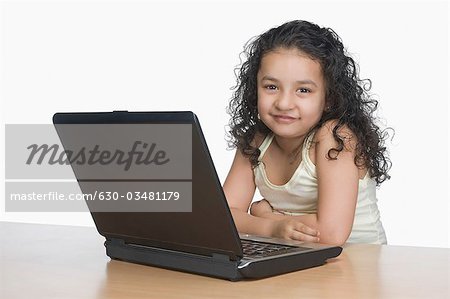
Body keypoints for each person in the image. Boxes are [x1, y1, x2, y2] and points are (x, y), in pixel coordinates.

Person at [223, 20, 392, 246]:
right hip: (298, 259)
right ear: (255, 89)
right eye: (271, 87)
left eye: (303, 90)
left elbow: (331, 234)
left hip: (356, 265)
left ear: (329, 98)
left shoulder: (334, 137)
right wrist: (272, 227)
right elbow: (223, 217)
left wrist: (264, 216)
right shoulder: (255, 141)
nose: (284, 103)